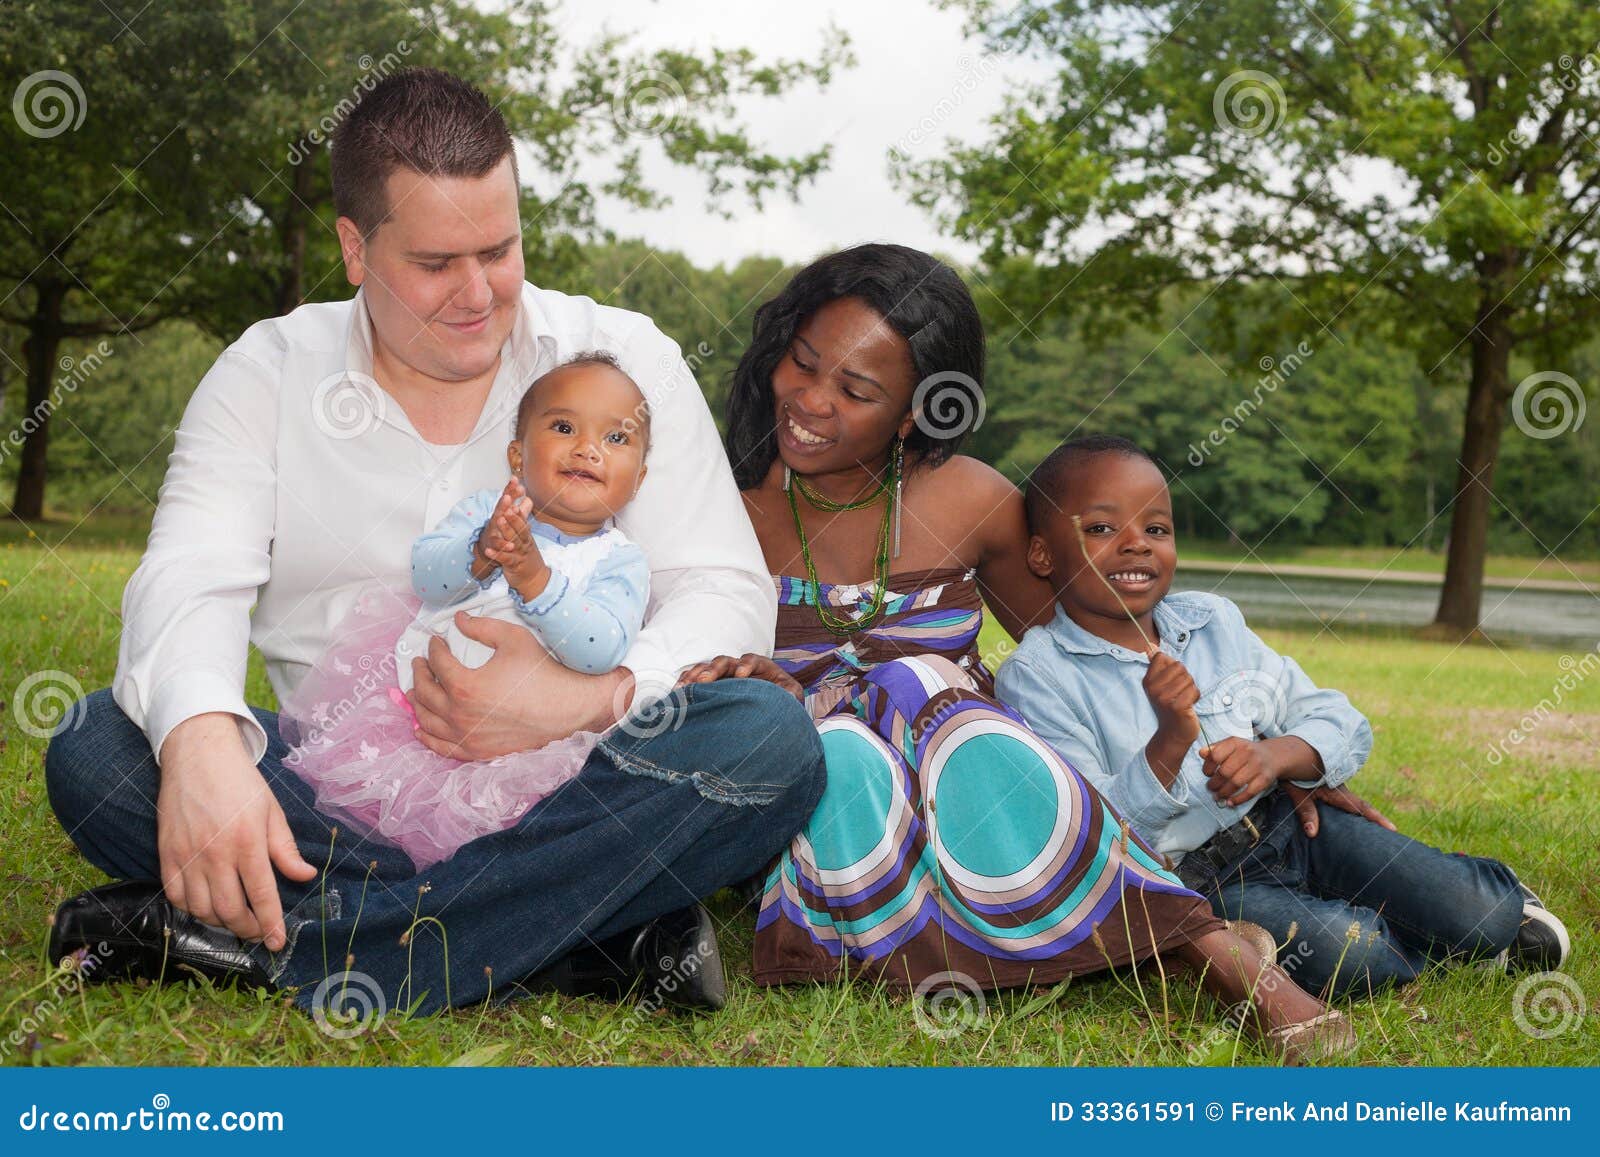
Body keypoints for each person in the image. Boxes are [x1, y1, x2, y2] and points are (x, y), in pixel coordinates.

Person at [43, 67, 824, 1017]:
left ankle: (279, 948)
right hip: (337, 791)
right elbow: (187, 576)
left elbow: (722, 585)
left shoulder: (621, 361)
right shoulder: (267, 371)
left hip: (572, 785)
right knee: (99, 747)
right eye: (435, 263)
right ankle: (572, 942)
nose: (478, 293)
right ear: (354, 250)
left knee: (770, 741)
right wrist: (204, 748)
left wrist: (584, 698)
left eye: (500, 250)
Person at [679, 244, 1355, 1062]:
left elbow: (1098, 654)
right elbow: (681, 684)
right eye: (803, 363)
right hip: (825, 798)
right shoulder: (719, 507)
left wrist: (1288, 755)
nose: (810, 401)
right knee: (864, 718)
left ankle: (1193, 945)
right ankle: (1182, 943)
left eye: (855, 390)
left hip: (966, 791)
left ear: (912, 414)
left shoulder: (974, 498)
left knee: (930, 687)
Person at [994, 434, 1571, 1000]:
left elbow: (1336, 717)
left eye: (1156, 528)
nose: (1136, 544)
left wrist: (1276, 757)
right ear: (1042, 554)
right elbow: (1095, 842)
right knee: (1359, 951)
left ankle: (1476, 911)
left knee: (1483, 912)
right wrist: (1170, 739)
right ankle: (1425, 944)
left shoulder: (1213, 623)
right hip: (1204, 881)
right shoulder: (1038, 676)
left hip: (1292, 825)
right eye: (1100, 528)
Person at [278, 353, 652, 872]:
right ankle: (370, 876)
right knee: (368, 812)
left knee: (524, 839)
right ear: (517, 456)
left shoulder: (619, 561)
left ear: (639, 477)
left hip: (530, 749)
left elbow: (601, 649)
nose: (587, 449)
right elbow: (426, 576)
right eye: (564, 427)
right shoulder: (486, 513)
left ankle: (479, 894)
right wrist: (480, 552)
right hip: (416, 719)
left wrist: (534, 579)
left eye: (617, 438)